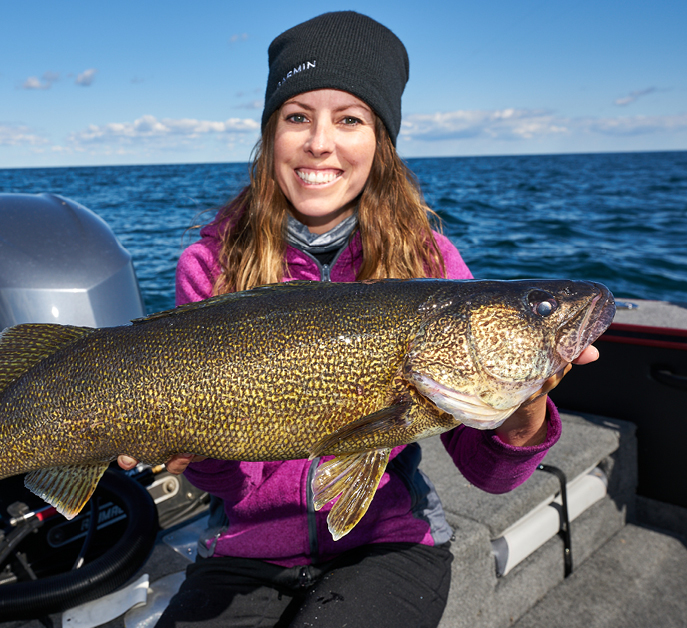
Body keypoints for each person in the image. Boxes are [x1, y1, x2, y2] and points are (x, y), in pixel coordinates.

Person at [119, 11, 598, 627]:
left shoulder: (432, 263)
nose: (320, 143)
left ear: (381, 141)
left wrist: (527, 406)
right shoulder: (208, 263)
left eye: (349, 118)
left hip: (391, 542)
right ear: (270, 135)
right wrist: (189, 445)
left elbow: (489, 474)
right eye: (298, 117)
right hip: (244, 546)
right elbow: (228, 484)